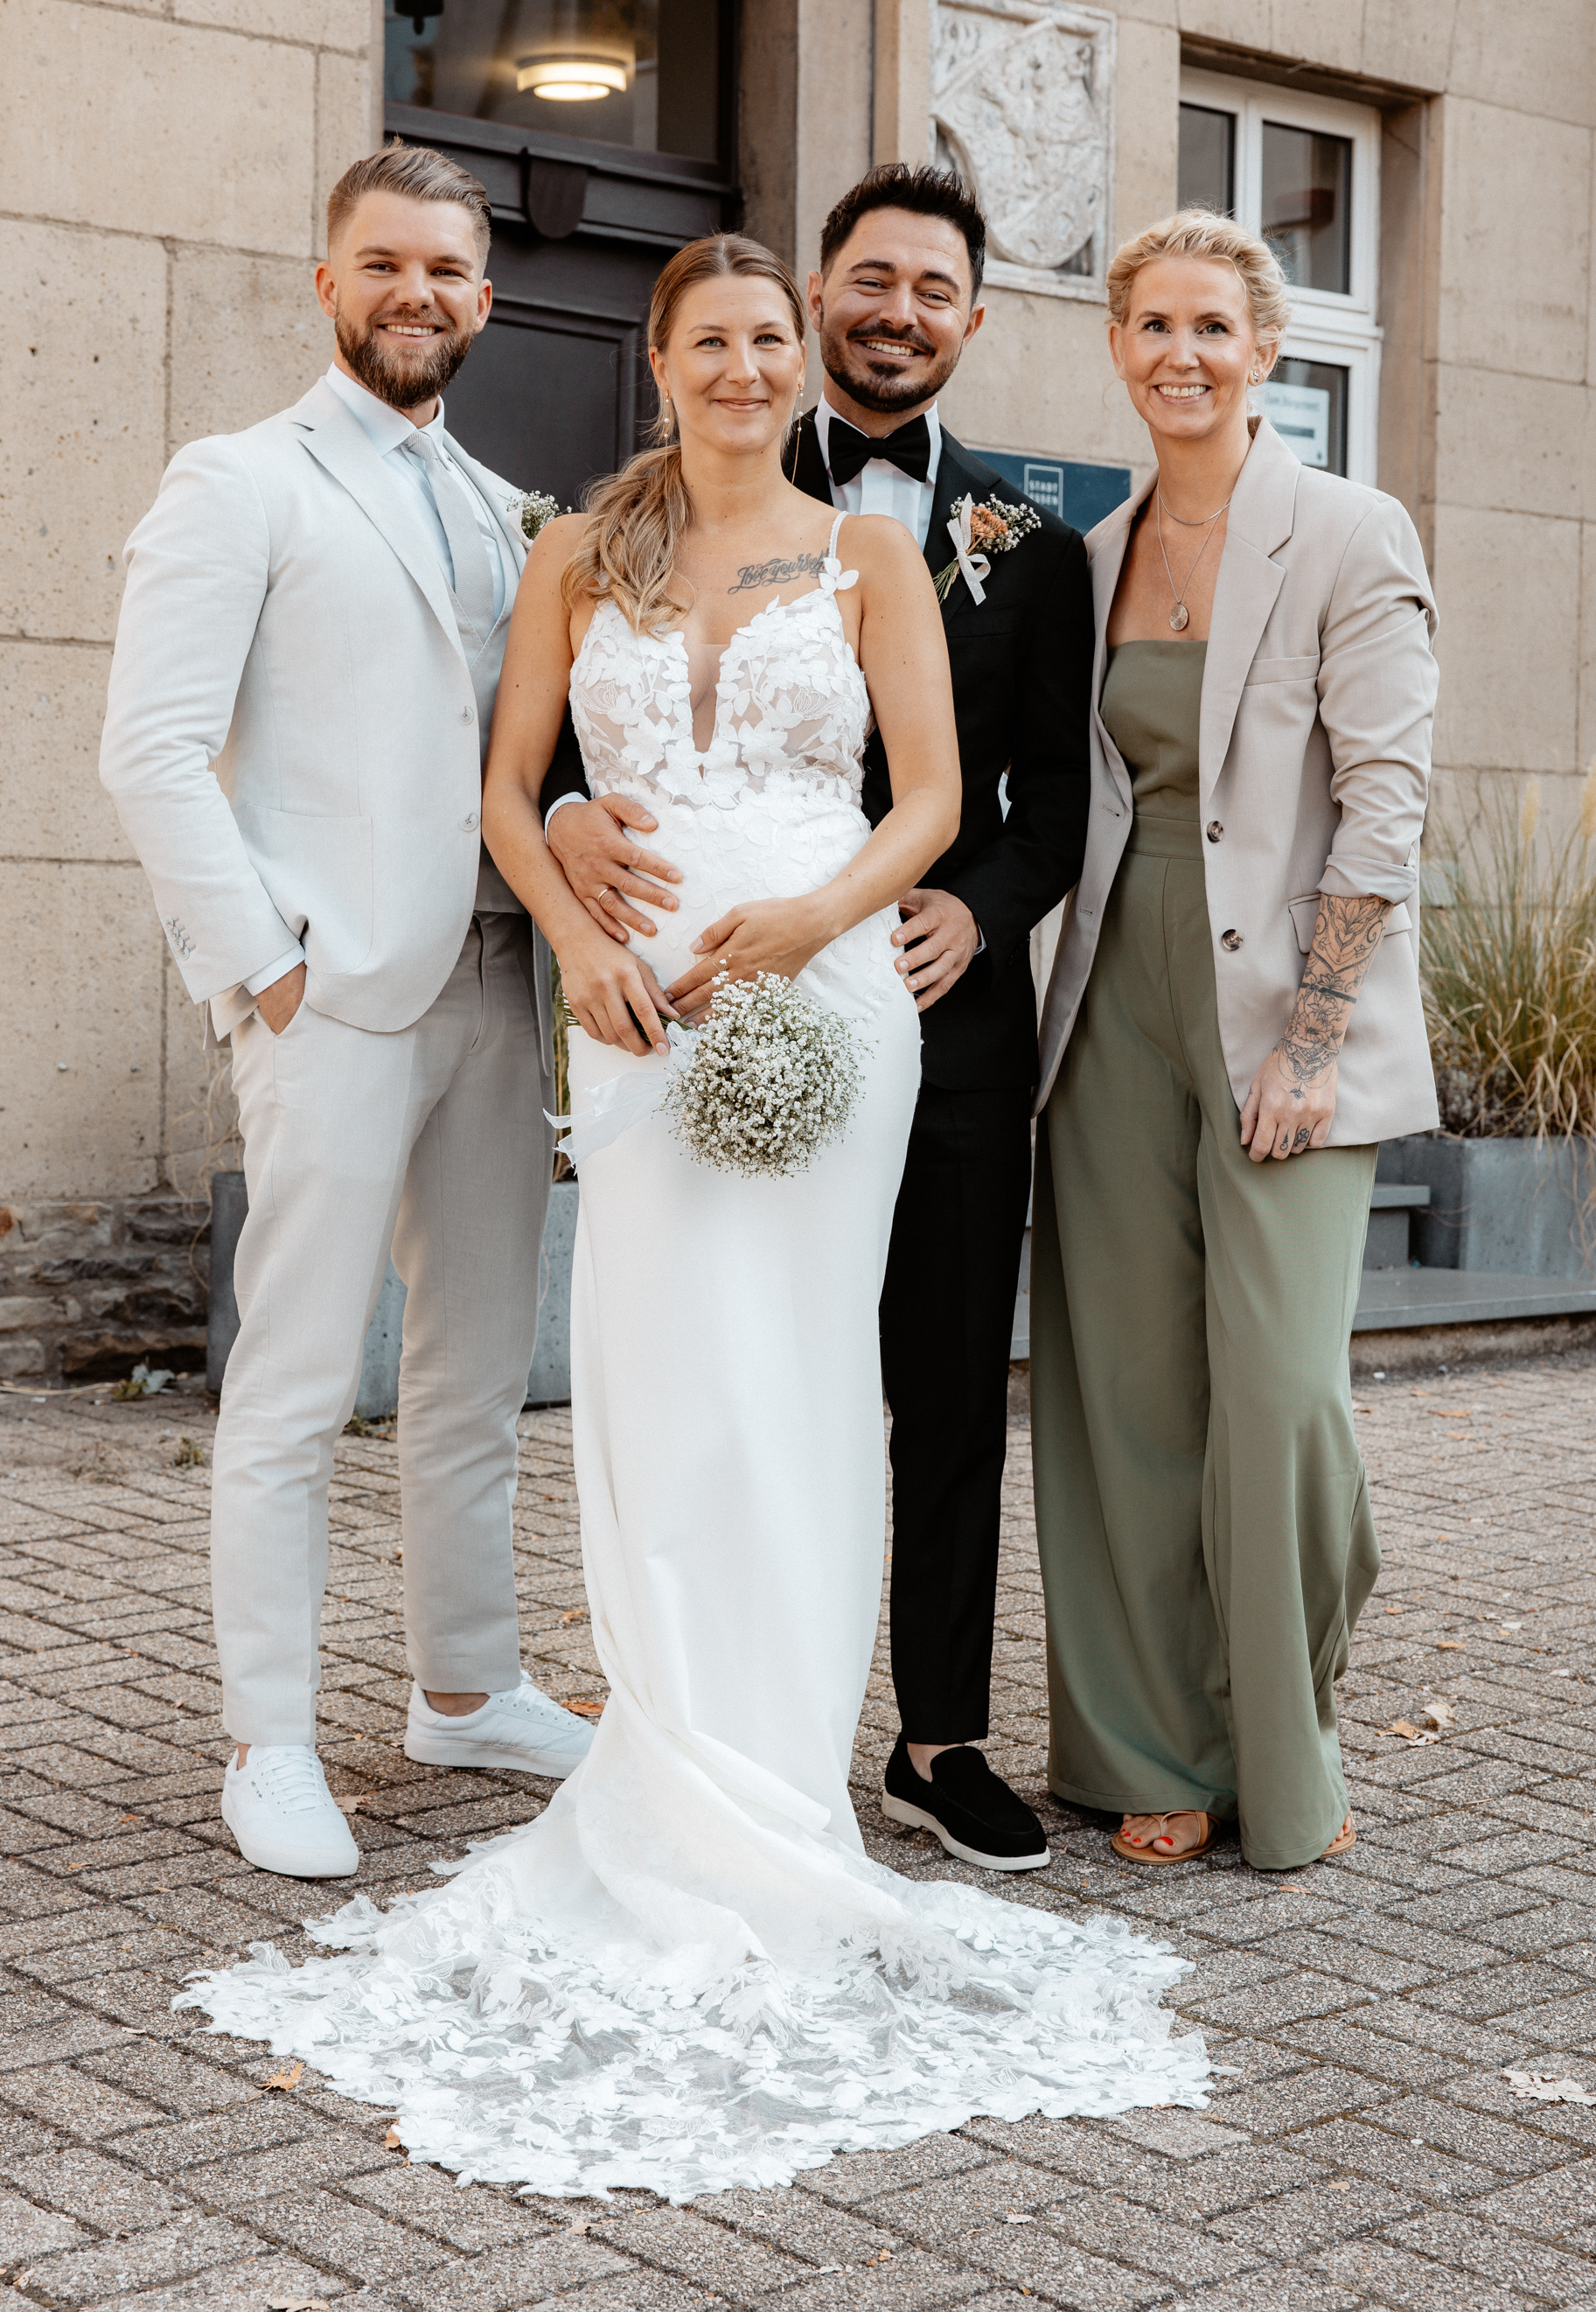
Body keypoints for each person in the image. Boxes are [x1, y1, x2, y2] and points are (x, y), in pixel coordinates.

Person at [177, 231, 1209, 2201]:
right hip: (640, 1013)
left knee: (805, 1386)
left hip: (823, 995)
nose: (743, 367)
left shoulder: (881, 558)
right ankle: (662, 1769)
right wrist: (574, 940)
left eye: (763, 339)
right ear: (658, 362)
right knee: (654, 1390)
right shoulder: (576, 553)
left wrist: (818, 923)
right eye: (710, 339)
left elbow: (928, 800)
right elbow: (509, 787)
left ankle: (784, 1790)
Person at [540, 165, 1094, 1872]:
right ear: (811, 306)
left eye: (935, 289)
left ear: (973, 320)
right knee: (719, 1366)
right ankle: (713, 1729)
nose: (896, 312)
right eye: (869, 280)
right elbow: (582, 737)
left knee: (936, 1378)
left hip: (920, 1013)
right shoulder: (669, 508)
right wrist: (563, 819)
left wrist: (968, 909)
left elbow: (1044, 808)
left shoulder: (1029, 538)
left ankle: (936, 1739)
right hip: (692, 991)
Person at [100, 144, 594, 1884]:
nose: (418, 294)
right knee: (302, 1384)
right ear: (330, 284)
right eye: (385, 264)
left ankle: (465, 1685)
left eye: (449, 270)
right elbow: (149, 748)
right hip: (333, 996)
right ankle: (270, 1736)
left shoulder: (504, 508)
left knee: (475, 1376)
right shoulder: (240, 481)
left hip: (492, 989)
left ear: (483, 294)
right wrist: (267, 963)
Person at [1030, 211, 1439, 1872]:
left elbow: (1387, 800)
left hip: (1290, 1016)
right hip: (1112, 1003)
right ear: (1117, 348)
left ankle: (1286, 1730)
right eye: (1150, 326)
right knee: (1123, 1389)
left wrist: (1314, 1031)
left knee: (1277, 1398)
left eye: (1213, 325)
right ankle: (1151, 1748)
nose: (1179, 354)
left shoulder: (1345, 530)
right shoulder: (1091, 549)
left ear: (1264, 349)